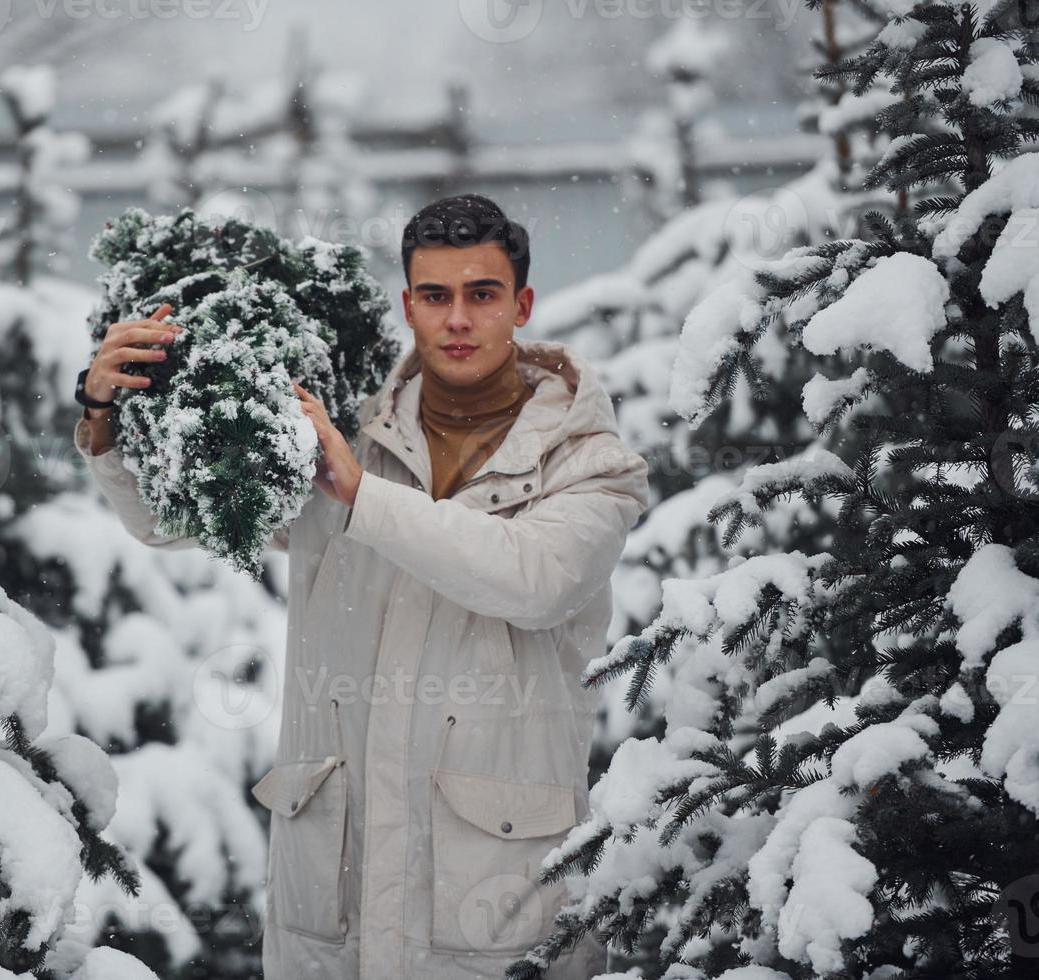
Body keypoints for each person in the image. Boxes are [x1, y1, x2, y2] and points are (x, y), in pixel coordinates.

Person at [74, 193, 650, 979]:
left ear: (521, 305)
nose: (458, 319)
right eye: (437, 296)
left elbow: (535, 579)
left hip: (498, 908)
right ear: (408, 305)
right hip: (331, 906)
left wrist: (363, 498)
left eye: (482, 295)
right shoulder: (346, 431)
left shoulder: (590, 461)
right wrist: (107, 413)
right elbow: (174, 521)